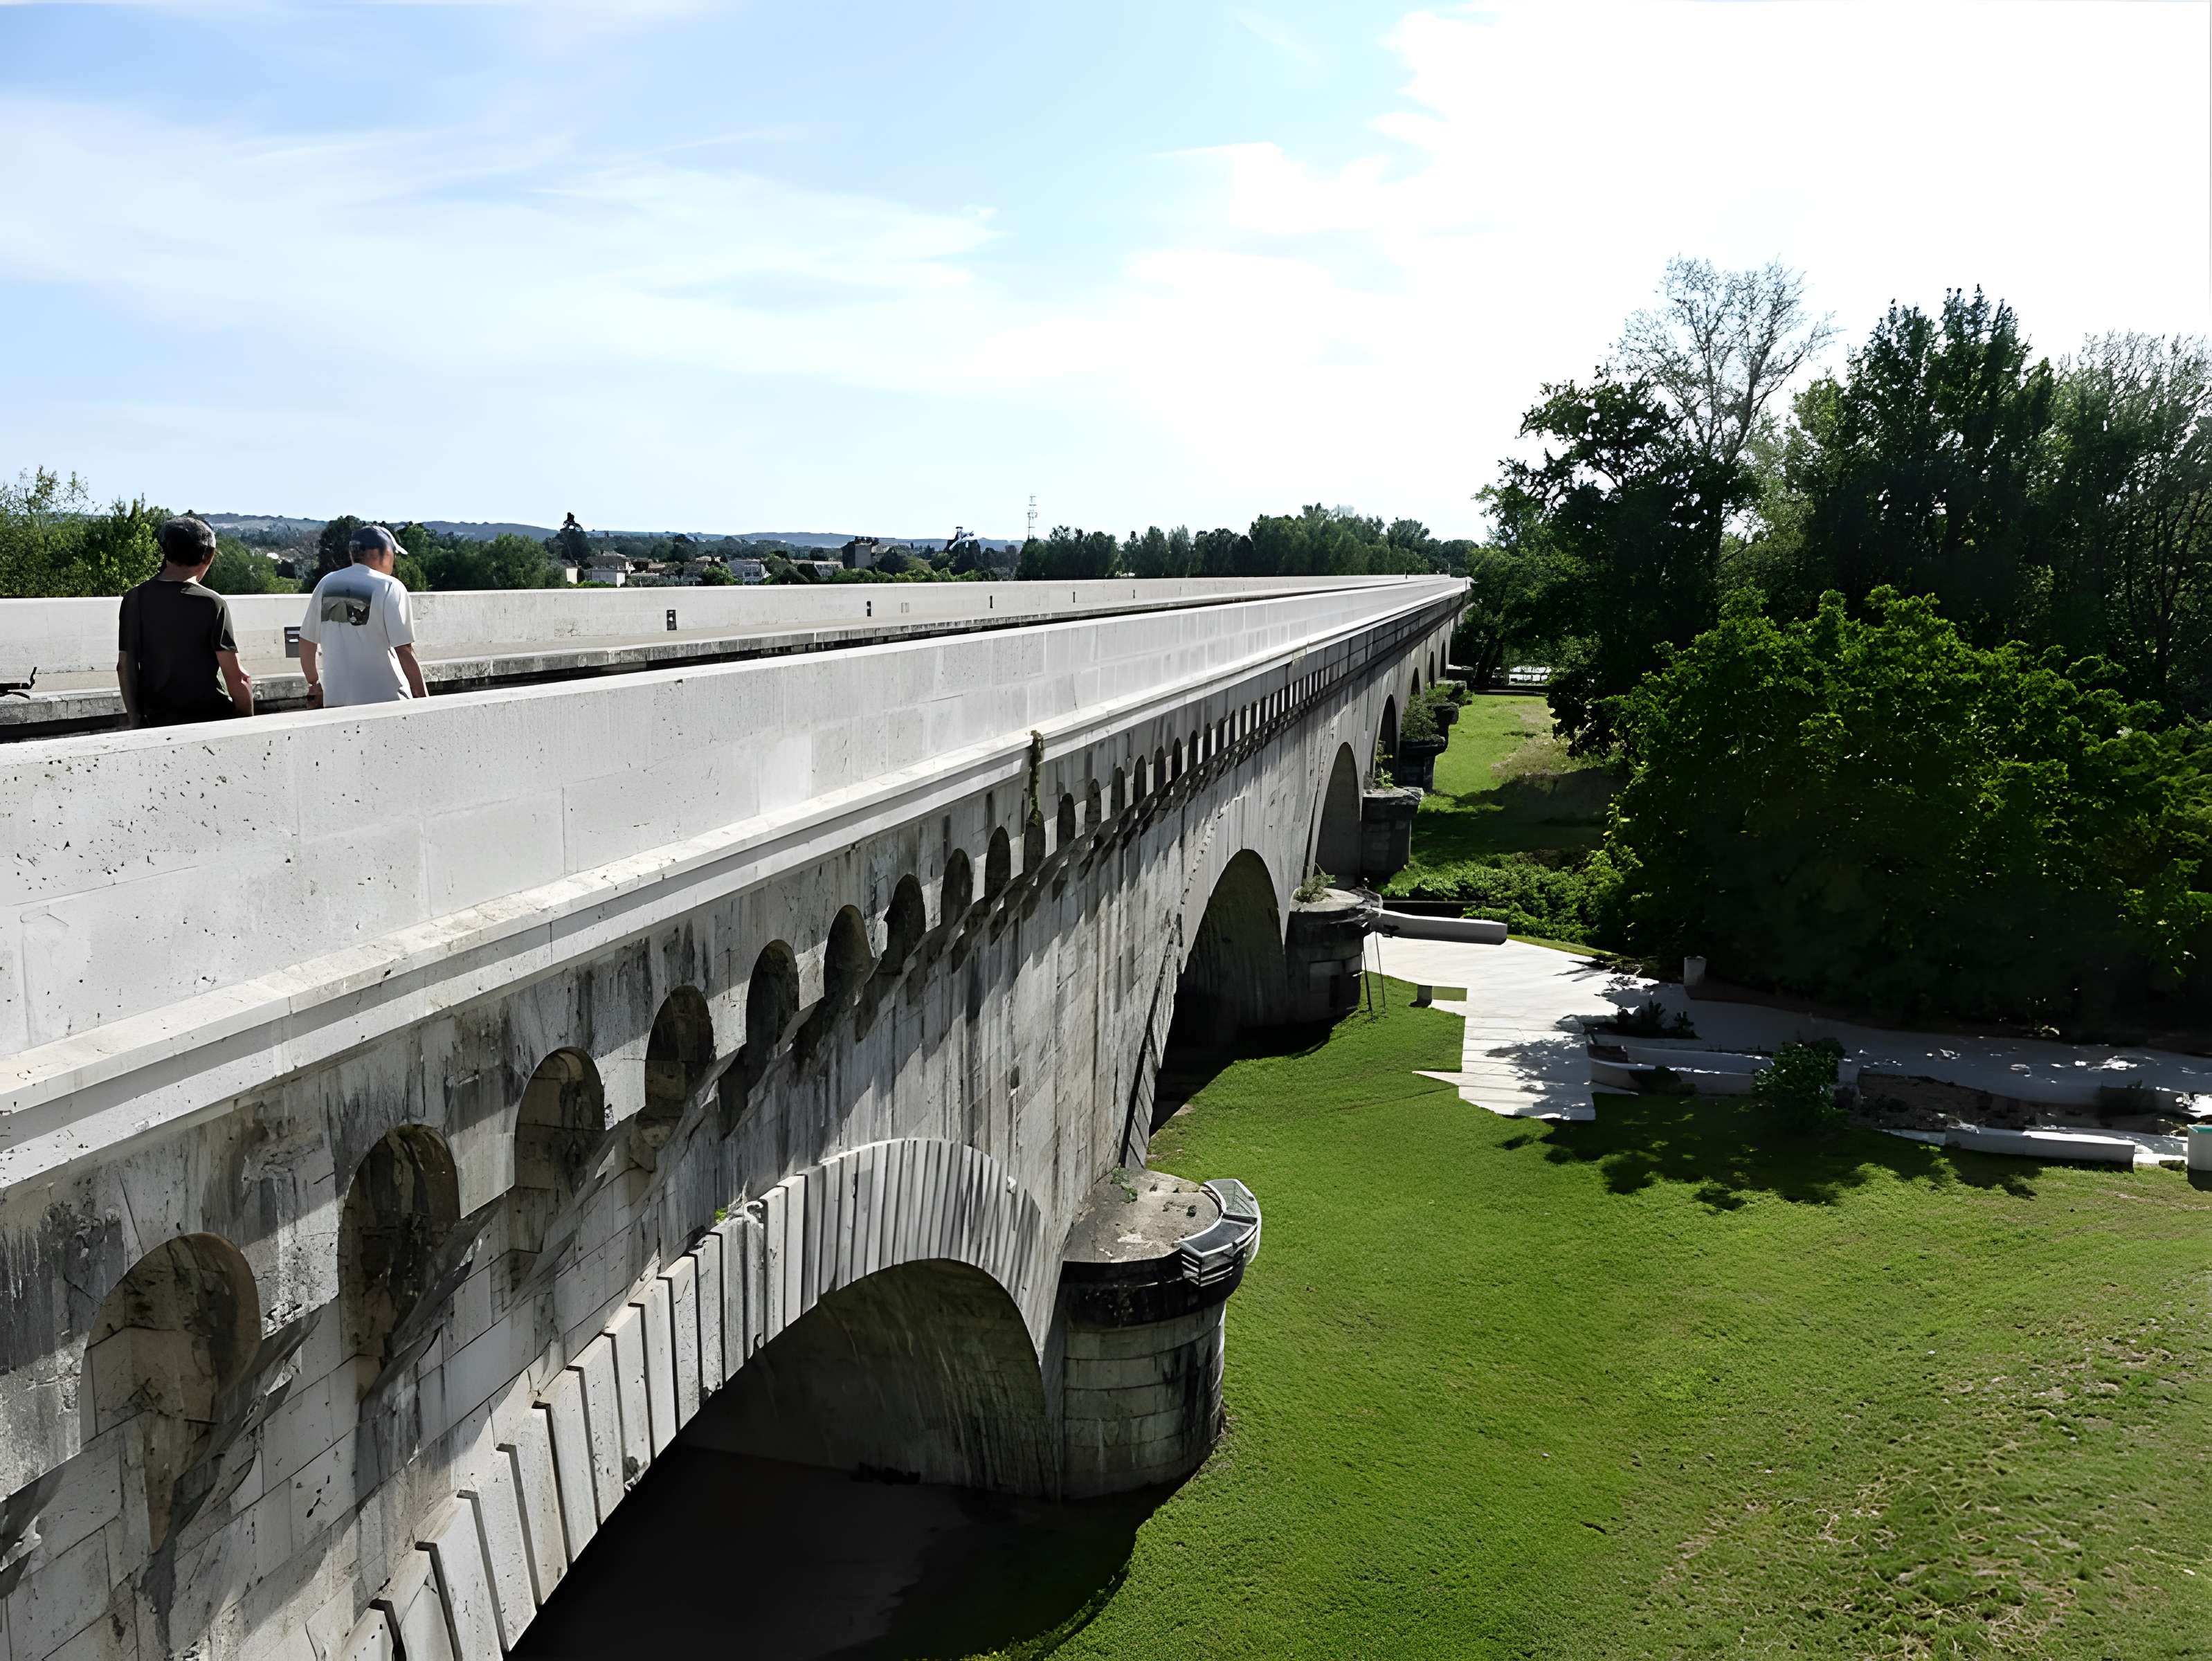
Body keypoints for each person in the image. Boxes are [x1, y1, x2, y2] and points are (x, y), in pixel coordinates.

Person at [117, 516, 255, 728]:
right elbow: (237, 677)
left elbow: (125, 666)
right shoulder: (212, 604)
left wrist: (136, 719)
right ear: (208, 557)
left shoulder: (134, 598)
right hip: (209, 718)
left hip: (157, 720)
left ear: (166, 551)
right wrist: (246, 721)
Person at [300, 523, 428, 707]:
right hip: (387, 701)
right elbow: (404, 651)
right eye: (393, 553)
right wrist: (424, 702)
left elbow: (307, 641)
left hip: (337, 703)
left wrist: (314, 683)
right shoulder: (390, 586)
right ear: (377, 553)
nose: (394, 560)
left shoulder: (326, 584)